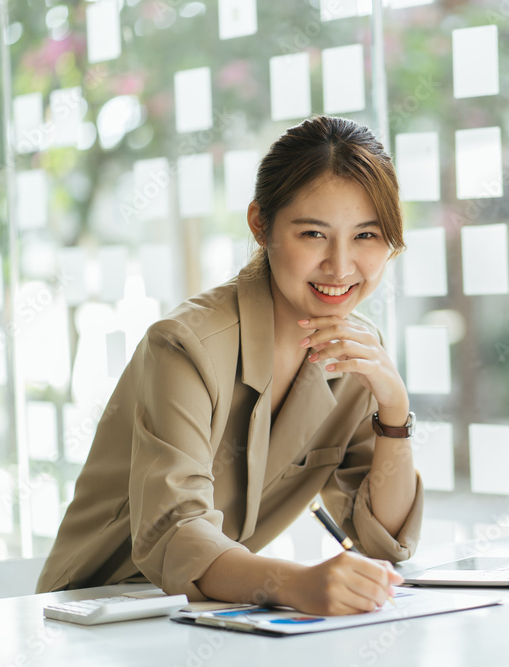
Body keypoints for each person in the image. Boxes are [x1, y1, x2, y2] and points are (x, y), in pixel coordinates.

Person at [36, 116, 424, 616]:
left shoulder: (357, 351)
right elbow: (175, 532)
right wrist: (297, 584)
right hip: (97, 614)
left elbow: (381, 539)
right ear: (261, 225)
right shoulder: (185, 345)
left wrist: (394, 413)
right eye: (313, 234)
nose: (341, 266)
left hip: (213, 611)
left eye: (367, 235)